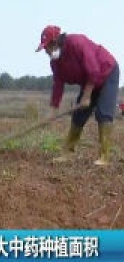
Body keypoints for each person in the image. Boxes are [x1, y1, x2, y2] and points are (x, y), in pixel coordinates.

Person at [36, 25, 120, 166]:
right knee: (78, 114)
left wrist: (86, 96)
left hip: (106, 73)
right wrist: (53, 111)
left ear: (55, 42)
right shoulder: (55, 63)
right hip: (89, 81)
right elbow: (58, 86)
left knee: (103, 113)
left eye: (47, 47)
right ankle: (67, 153)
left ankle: (104, 157)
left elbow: (93, 70)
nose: (46, 51)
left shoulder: (77, 43)